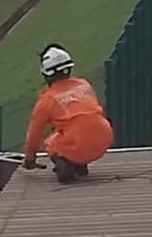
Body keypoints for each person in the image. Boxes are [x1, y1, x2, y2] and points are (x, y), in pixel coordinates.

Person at [22, 44, 114, 184]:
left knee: (51, 142)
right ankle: (79, 164)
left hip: (79, 144)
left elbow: (34, 134)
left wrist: (29, 158)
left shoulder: (47, 100)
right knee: (77, 130)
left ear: (46, 74)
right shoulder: (84, 85)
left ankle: (67, 166)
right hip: (104, 138)